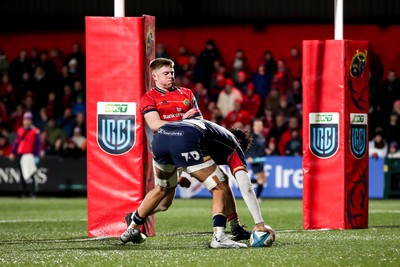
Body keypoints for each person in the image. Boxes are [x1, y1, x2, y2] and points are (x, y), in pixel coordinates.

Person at [136, 58, 250, 240]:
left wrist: (189, 122)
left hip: (189, 146)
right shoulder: (149, 97)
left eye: (172, 72)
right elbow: (156, 125)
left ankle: (235, 226)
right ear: (155, 76)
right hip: (166, 149)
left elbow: (199, 122)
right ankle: (135, 218)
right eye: (166, 73)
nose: (171, 76)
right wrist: (183, 122)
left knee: (222, 181)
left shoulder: (187, 93)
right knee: (165, 203)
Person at [120, 118, 275, 248]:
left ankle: (133, 226)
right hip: (184, 139)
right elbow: (246, 188)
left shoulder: (213, 136)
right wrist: (259, 223)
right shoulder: (233, 145)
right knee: (219, 186)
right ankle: (219, 237)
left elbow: (180, 142)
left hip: (161, 137)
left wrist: (179, 173)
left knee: (162, 190)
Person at [9, 111, 41, 197]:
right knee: (22, 174)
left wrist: (37, 156)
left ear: (31, 121)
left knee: (32, 174)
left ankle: (33, 192)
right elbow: (16, 143)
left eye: (28, 119)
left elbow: (37, 145)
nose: (26, 121)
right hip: (20, 155)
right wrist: (12, 152)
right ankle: (23, 192)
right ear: (23, 120)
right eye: (25, 119)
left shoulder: (35, 131)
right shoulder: (20, 130)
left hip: (29, 155)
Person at [246, 118, 268, 201]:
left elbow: (261, 148)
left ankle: (245, 183)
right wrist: (248, 157)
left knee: (263, 179)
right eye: (257, 125)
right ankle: (258, 197)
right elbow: (247, 148)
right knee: (261, 179)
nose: (259, 127)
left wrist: (266, 151)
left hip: (261, 160)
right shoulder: (251, 137)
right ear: (253, 126)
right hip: (254, 160)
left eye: (260, 125)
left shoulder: (261, 136)